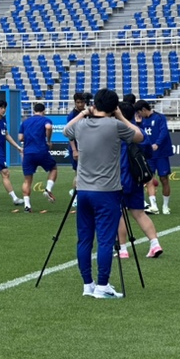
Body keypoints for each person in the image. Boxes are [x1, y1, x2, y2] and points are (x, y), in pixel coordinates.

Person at [64, 88, 144, 299]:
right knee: (106, 240)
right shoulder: (115, 126)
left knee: (84, 239)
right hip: (107, 191)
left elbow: (65, 131)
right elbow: (139, 136)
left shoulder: (81, 125)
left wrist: (83, 113)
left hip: (83, 190)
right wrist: (120, 116)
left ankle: (87, 284)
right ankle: (102, 285)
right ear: (113, 107)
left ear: (95, 104)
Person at [116, 102, 163, 259]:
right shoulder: (138, 131)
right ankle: (155, 243)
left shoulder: (116, 132)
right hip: (136, 178)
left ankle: (122, 249)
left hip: (118, 178)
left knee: (119, 214)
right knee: (139, 213)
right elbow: (149, 152)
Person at [17, 102, 58, 212]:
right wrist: (48, 140)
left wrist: (30, 139)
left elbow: (20, 138)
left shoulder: (25, 122)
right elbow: (48, 127)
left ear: (34, 111)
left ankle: (27, 205)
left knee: (27, 180)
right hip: (41, 150)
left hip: (28, 153)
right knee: (53, 168)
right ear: (43, 111)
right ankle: (48, 189)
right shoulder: (45, 120)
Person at [135, 99, 173, 215]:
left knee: (164, 179)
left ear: (144, 110)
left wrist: (157, 144)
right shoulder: (141, 121)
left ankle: (165, 206)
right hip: (148, 155)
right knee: (148, 179)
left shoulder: (159, 118)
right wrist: (138, 124)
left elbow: (163, 132)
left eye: (139, 112)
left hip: (161, 154)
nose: (138, 115)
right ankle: (153, 205)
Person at [66, 92, 88, 207]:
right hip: (77, 148)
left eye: (82, 102)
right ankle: (75, 196)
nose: (80, 104)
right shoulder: (72, 116)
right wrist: (74, 150)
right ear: (75, 103)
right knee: (78, 173)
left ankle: (77, 193)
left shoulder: (87, 114)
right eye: (78, 102)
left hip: (86, 147)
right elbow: (70, 135)